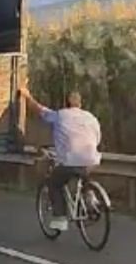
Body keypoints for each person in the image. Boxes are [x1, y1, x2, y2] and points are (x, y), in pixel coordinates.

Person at [18, 84, 101, 231]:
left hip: (70, 160)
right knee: (84, 173)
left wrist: (26, 95)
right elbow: (97, 137)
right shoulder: (91, 117)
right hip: (91, 158)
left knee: (54, 183)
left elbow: (39, 110)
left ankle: (60, 218)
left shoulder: (60, 115)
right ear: (80, 104)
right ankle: (90, 197)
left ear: (66, 104)